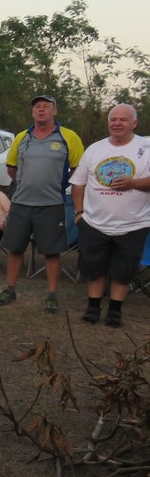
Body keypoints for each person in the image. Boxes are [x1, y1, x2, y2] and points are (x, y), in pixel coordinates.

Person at [0, 95, 84, 313]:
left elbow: (79, 168)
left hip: (51, 204)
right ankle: (10, 289)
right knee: (15, 248)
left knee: (52, 252)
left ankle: (51, 296)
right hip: (21, 203)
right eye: (37, 107)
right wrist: (25, 184)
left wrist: (60, 184)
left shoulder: (68, 136)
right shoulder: (22, 137)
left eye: (46, 106)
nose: (41, 110)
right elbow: (11, 167)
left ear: (55, 111)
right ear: (33, 112)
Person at [70, 104, 150, 327]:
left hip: (133, 223)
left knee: (123, 270)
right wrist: (79, 213)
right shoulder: (95, 149)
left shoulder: (146, 147)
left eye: (123, 120)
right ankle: (92, 308)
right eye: (113, 119)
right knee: (93, 267)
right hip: (94, 223)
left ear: (134, 123)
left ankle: (115, 311)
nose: (117, 123)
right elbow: (78, 183)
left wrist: (133, 183)